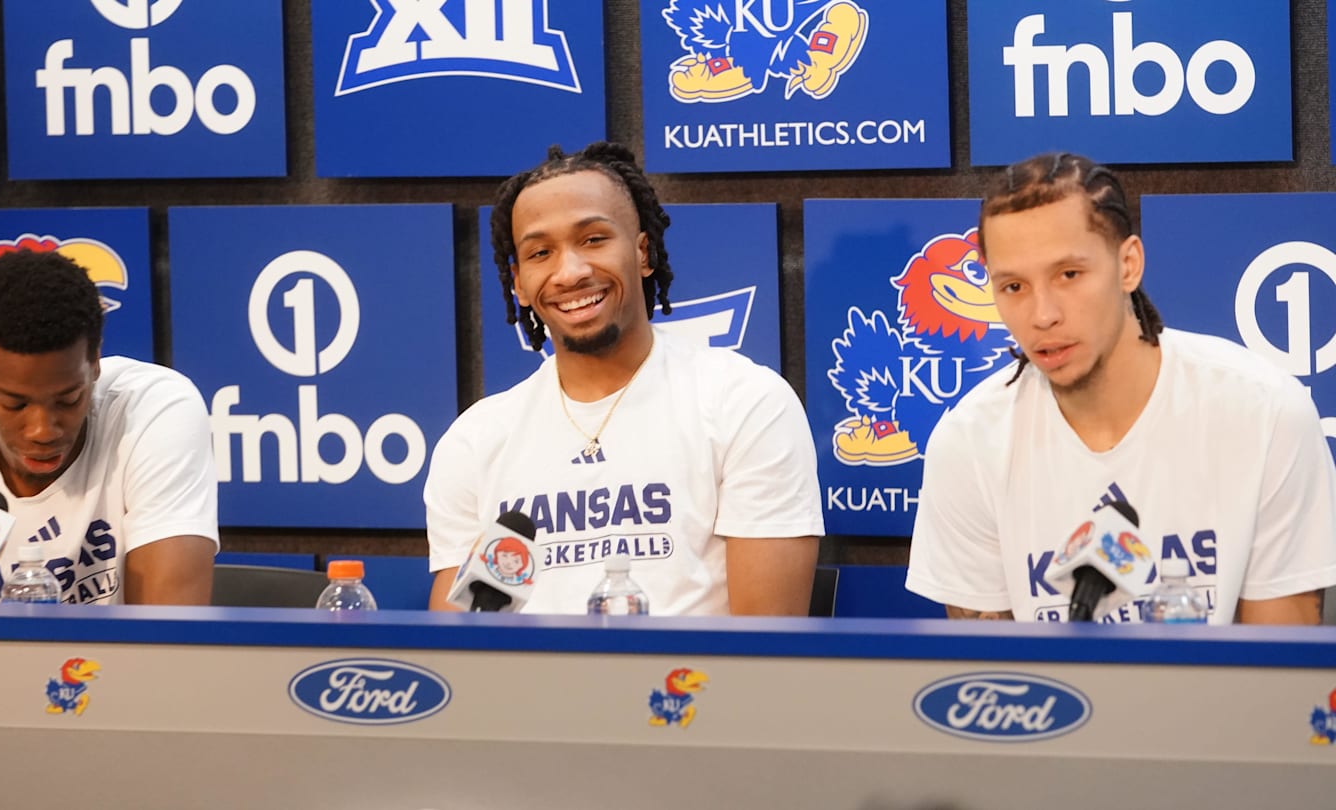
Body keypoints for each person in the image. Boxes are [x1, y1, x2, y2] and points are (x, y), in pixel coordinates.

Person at [905, 152, 1336, 625]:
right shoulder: (968, 444)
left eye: (1069, 275)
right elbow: (988, 665)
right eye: (1013, 287)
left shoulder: (1265, 413)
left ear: (1128, 264)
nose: (1042, 314)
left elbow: (1278, 663)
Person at [425, 141, 823, 615]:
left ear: (643, 252)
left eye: (593, 239)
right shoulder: (475, 440)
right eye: (541, 252)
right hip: (526, 669)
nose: (569, 272)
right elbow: (460, 640)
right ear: (519, 283)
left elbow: (765, 640)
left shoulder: (744, 402)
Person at [0, 247, 219, 604]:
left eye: (69, 399)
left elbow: (168, 628)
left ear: (94, 362)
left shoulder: (154, 411)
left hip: (120, 647)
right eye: (15, 404)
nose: (43, 431)